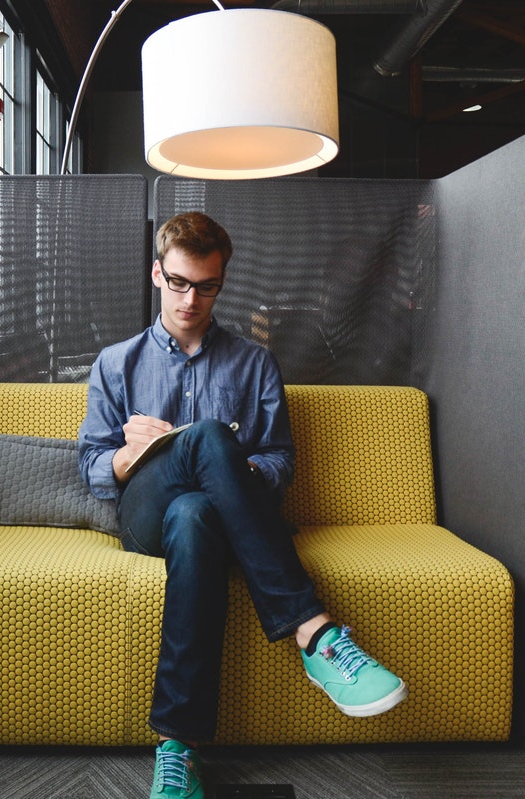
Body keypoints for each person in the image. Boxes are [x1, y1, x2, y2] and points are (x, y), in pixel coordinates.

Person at [78, 212, 407, 799]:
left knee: (198, 510)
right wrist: (136, 452)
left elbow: (279, 459)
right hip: (143, 516)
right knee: (204, 439)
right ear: (158, 274)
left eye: (206, 285)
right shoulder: (115, 363)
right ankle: (313, 631)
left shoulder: (254, 363)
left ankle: (177, 747)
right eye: (179, 281)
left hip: (216, 522)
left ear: (221, 284)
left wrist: (233, 467)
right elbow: (93, 471)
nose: (190, 298)